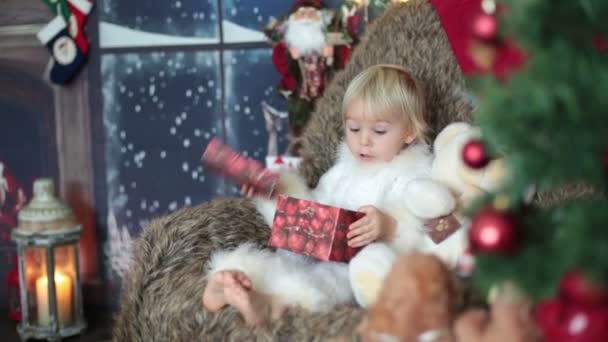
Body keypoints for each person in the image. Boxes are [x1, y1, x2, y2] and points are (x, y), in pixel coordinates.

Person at [202, 65, 460, 326]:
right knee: (274, 263)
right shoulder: (343, 170)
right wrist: (278, 194)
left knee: (322, 283)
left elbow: (438, 229)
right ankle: (233, 283)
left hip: (357, 269)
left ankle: (271, 306)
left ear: (409, 133)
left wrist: (390, 226)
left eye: (379, 131)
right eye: (354, 129)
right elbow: (318, 204)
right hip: (318, 252)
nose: (364, 141)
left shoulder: (415, 174)